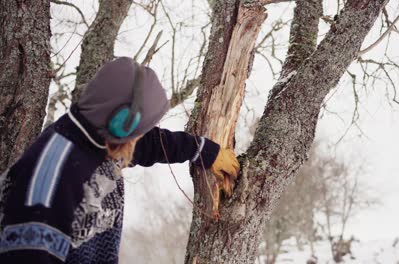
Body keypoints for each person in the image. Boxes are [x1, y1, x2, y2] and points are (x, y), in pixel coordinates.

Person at [0, 57, 239, 263]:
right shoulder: (50, 184)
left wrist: (203, 151)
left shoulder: (95, 135)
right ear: (121, 124)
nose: (140, 140)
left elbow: (149, 144)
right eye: (139, 132)